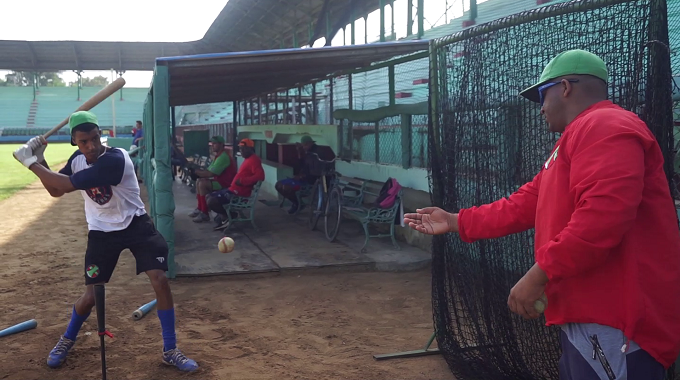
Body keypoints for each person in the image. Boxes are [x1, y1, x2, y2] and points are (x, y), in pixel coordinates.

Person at [403, 49, 680, 380]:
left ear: (565, 87)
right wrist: (455, 220)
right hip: (589, 309)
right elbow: (524, 203)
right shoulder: (572, 139)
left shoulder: (606, 124)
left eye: (542, 95)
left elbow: (603, 218)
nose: (541, 108)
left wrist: (539, 274)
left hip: (618, 316)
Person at [12, 111, 198, 372]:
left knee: (160, 280)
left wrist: (30, 163)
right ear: (75, 143)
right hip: (101, 232)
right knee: (91, 296)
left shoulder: (115, 158)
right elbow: (55, 190)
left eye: (95, 138)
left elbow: (66, 185)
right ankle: (67, 339)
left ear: (101, 136)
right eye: (84, 142)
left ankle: (170, 349)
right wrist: (40, 159)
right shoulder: (77, 160)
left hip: (136, 224)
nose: (91, 146)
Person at [207, 138, 265, 230]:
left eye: (243, 149)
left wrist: (242, 181)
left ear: (250, 149)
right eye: (240, 149)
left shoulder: (254, 160)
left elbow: (260, 176)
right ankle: (226, 216)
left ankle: (227, 218)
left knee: (212, 201)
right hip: (233, 190)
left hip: (239, 194)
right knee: (209, 196)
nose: (241, 151)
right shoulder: (248, 159)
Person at [187, 136, 237, 223]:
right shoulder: (219, 155)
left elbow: (210, 173)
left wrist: (196, 172)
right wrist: (198, 173)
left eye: (214, 144)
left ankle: (205, 213)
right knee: (199, 181)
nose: (212, 146)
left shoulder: (223, 157)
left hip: (226, 184)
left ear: (221, 144)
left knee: (202, 184)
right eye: (212, 144)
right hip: (220, 181)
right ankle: (200, 208)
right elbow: (208, 170)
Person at [274, 135, 321, 214]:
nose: (304, 147)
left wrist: (303, 176)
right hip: (301, 178)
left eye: (305, 145)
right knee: (278, 185)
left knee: (286, 187)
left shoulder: (316, 154)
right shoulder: (307, 153)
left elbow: (315, 171)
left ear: (310, 143)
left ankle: (296, 204)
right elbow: (300, 166)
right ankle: (297, 202)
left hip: (308, 182)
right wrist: (299, 153)